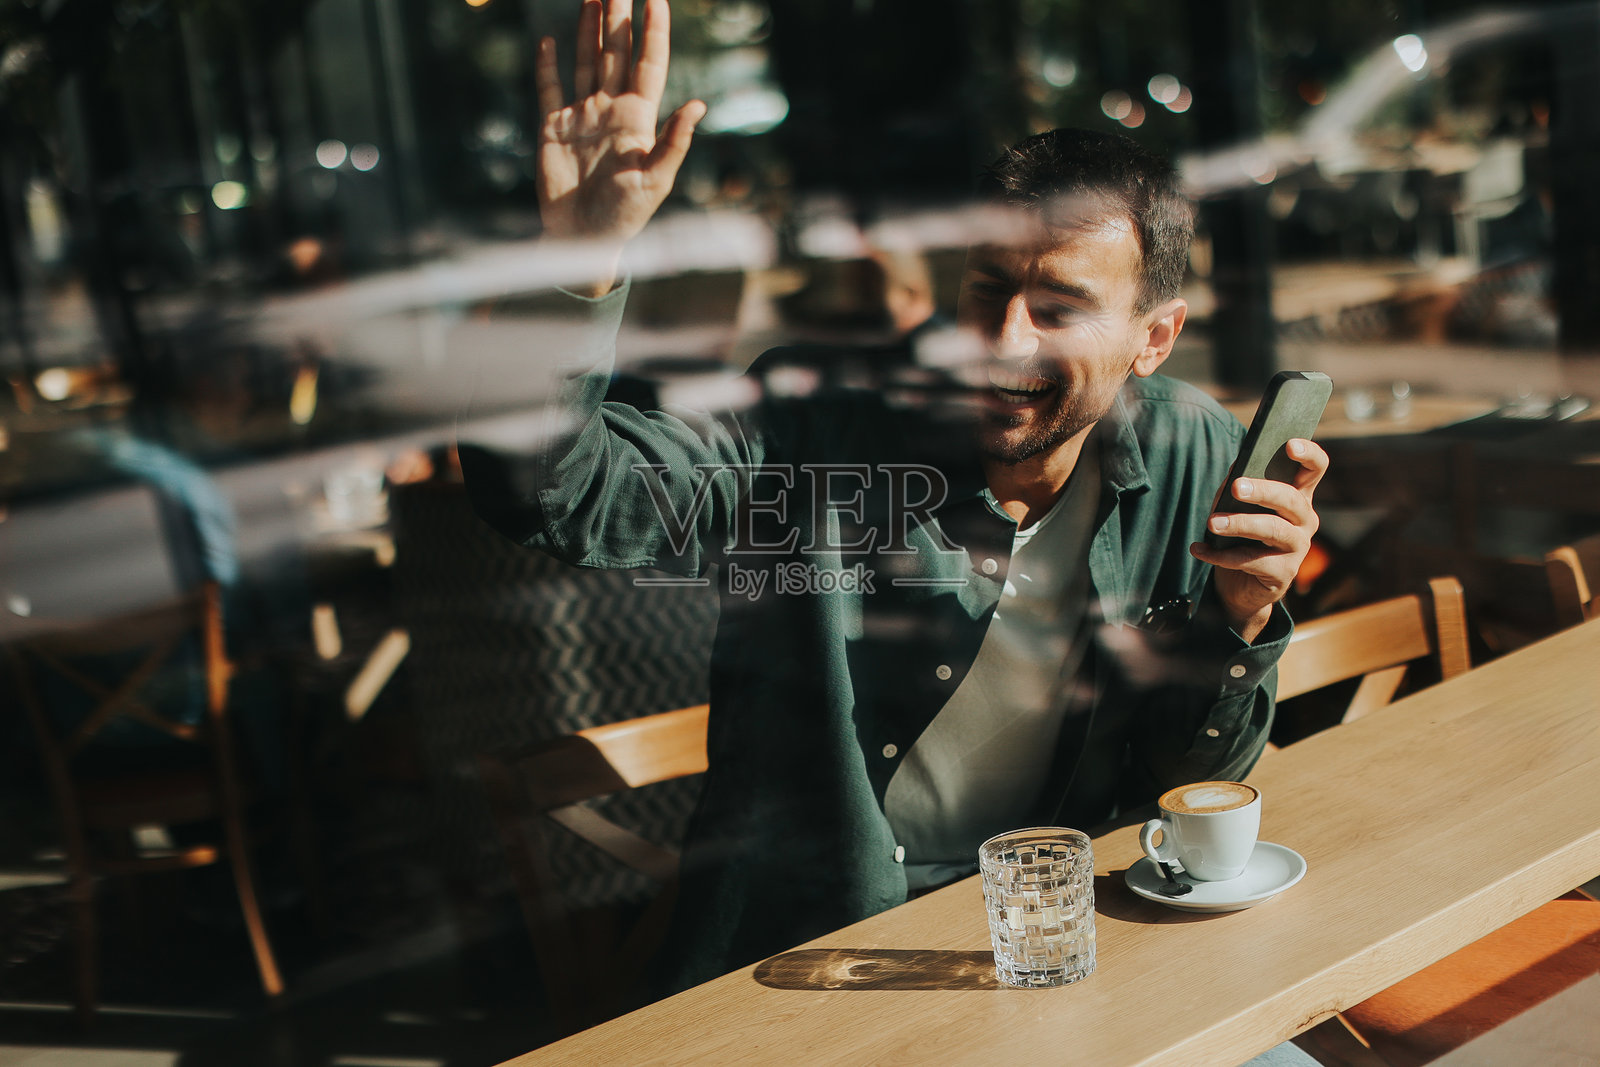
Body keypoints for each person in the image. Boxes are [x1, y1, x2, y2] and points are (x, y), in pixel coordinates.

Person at [460, 0, 1327, 1002]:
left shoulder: (1195, 453)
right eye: (985, 289)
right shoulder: (809, 428)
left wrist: (1241, 617)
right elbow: (553, 495)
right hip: (830, 963)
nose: (1000, 338)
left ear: (1153, 337)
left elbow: (1180, 780)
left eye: (1057, 309)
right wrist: (576, 268)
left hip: (1079, 944)